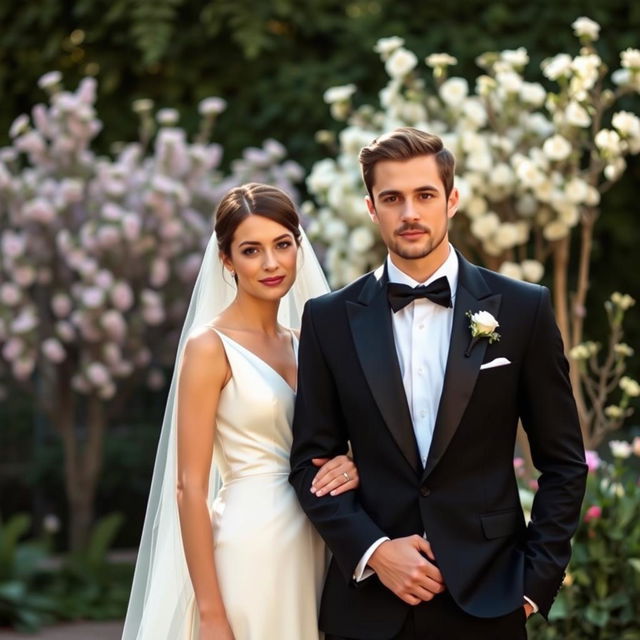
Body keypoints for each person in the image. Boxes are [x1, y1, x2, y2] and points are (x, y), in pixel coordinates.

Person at [289, 127, 588, 640]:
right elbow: (309, 466)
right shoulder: (328, 318)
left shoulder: (522, 309)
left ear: (452, 200)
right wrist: (374, 551)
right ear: (371, 207)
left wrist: (534, 584)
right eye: (392, 198)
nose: (409, 212)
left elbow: (563, 462)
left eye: (424, 195)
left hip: (490, 598)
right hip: (368, 608)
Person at [122, 183, 360, 640]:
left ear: (299, 247)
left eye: (282, 245)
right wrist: (211, 614)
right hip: (251, 545)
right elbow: (189, 487)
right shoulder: (209, 348)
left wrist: (353, 463)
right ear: (227, 260)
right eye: (251, 250)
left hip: (322, 540)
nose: (271, 263)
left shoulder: (309, 342)